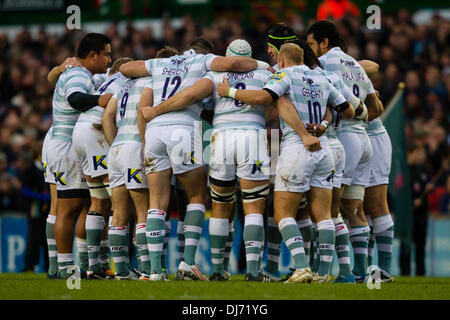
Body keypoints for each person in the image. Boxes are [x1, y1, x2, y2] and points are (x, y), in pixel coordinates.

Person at [121, 36, 270, 281]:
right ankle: (189, 263)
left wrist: (153, 110)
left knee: (157, 202)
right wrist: (263, 65)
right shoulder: (206, 63)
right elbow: (197, 91)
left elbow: (126, 68)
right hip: (185, 130)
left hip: (155, 131)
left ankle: (155, 271)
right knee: (199, 196)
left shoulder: (162, 64)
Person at [218, 43, 355, 283]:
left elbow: (263, 97)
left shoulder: (284, 74)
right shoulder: (321, 76)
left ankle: (302, 266)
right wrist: (322, 125)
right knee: (323, 214)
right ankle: (323, 272)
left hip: (297, 147)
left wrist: (230, 92)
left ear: (281, 61)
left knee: (282, 213)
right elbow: (347, 109)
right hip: (323, 150)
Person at [307, 20, 382, 282]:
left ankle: (340, 272)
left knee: (329, 208)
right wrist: (360, 116)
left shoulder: (324, 63)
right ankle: (362, 272)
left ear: (325, 43)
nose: (310, 50)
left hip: (343, 139)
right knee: (355, 210)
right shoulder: (355, 66)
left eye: (312, 44)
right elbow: (377, 107)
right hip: (364, 141)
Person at [102, 46, 179, 281]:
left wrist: (114, 144)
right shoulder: (151, 81)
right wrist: (145, 145)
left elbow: (107, 116)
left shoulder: (124, 85)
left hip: (116, 150)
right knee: (143, 210)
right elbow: (142, 115)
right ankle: (149, 270)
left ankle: (122, 272)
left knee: (119, 212)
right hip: (135, 147)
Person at [46, 33, 113, 278]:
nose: (109, 58)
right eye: (105, 53)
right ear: (92, 55)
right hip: (65, 147)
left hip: (70, 146)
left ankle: (86, 266)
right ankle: (64, 268)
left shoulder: (85, 75)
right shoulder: (77, 74)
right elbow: (75, 99)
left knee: (87, 204)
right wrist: (100, 99)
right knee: (68, 208)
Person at [72, 57, 131, 279]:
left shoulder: (104, 81)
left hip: (79, 132)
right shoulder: (126, 83)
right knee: (118, 202)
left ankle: (94, 266)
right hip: (96, 133)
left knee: (98, 201)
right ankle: (121, 268)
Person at [21, 140, 50, 273]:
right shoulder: (30, 170)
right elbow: (24, 189)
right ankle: (30, 265)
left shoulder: (48, 168)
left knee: (48, 238)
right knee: (34, 237)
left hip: (48, 208)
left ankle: (49, 265)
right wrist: (39, 197)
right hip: (35, 209)